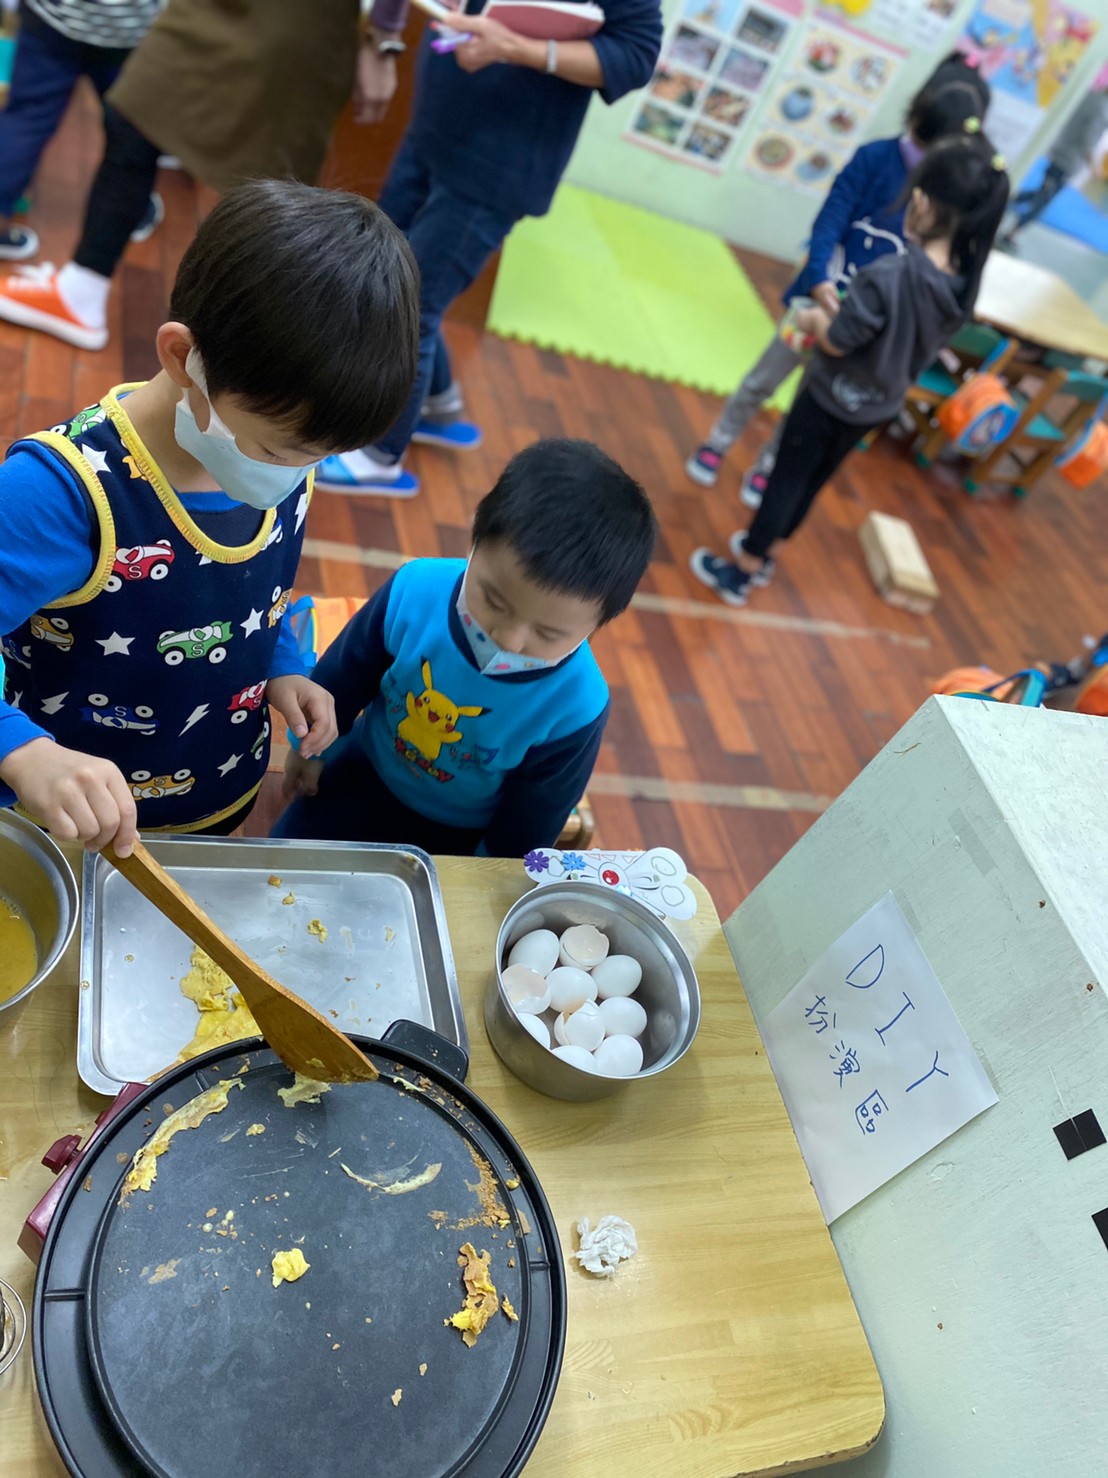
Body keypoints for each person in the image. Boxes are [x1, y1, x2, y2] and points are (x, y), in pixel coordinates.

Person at [0, 179, 419, 855]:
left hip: (217, 798)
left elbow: (253, 592)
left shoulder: (283, 453)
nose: (294, 475)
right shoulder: (56, 493)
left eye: (318, 457)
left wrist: (283, 663)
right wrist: (20, 750)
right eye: (278, 451)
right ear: (181, 357)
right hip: (69, 829)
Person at [315, 0, 662, 498]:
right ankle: (436, 402)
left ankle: (380, 456)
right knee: (389, 274)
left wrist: (517, 48)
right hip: (436, 123)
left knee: (410, 304)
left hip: (498, 164)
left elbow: (635, 54)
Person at [274, 440, 656, 856]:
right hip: (358, 776)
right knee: (281, 863)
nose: (509, 639)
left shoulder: (577, 706)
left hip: (456, 837)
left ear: (598, 624)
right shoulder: (416, 590)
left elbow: (531, 821)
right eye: (494, 601)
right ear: (475, 537)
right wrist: (310, 750)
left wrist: (485, 873)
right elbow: (343, 676)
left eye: (547, 634)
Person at [690, 133, 1009, 608]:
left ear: (922, 204)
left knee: (786, 480)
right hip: (876, 407)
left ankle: (743, 570)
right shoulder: (962, 289)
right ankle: (769, 550)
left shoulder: (887, 275)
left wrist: (814, 320)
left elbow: (837, 341)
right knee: (813, 481)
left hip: (830, 397)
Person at [0, 0, 404, 348]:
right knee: (133, 117)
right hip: (201, 12)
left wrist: (384, 39)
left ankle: (225, 348)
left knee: (271, 184)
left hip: (298, 19)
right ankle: (82, 291)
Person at [685, 51, 991, 509]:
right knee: (762, 380)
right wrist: (818, 280)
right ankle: (719, 440)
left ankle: (768, 466)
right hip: (815, 301)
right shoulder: (875, 158)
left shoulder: (944, 201)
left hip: (854, 331)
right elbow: (830, 218)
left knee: (805, 402)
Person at [0, 0, 164, 264]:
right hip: (127, 28)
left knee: (24, 121)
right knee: (130, 131)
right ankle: (130, 212)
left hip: (51, 17)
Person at [1001, 83, 1108, 247]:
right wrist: (1094, 167)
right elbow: (1087, 140)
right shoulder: (1101, 109)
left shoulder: (1088, 96)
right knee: (1043, 200)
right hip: (1068, 160)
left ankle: (1003, 202)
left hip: (1059, 150)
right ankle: (1011, 231)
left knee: (1041, 193)